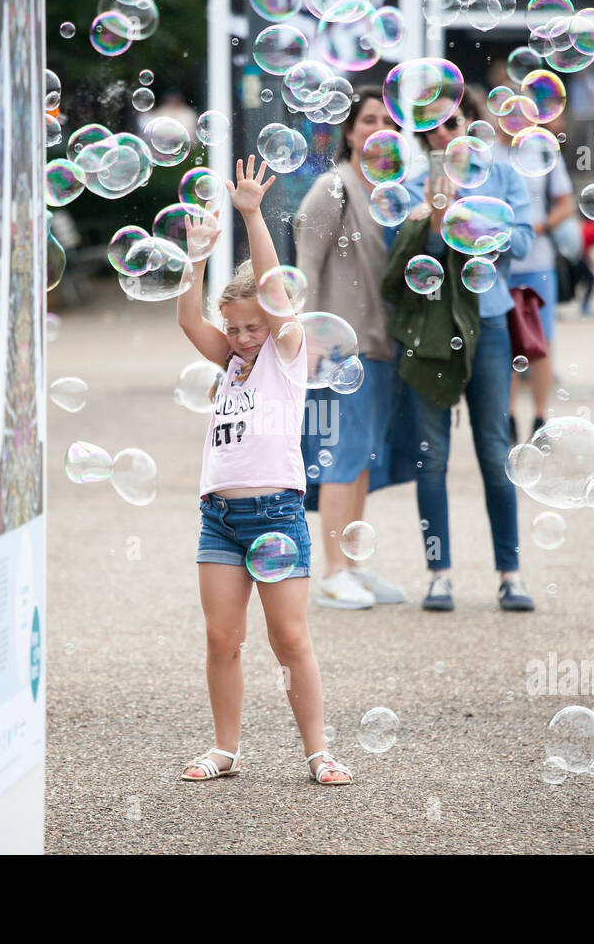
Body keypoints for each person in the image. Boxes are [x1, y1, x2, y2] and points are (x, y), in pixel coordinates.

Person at [175, 155, 353, 785]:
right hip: (219, 518)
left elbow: (275, 293)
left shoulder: (285, 354)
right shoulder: (232, 359)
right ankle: (225, 750)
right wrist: (197, 256)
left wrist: (251, 214)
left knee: (290, 641)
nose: (244, 336)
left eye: (253, 326)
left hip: (276, 513)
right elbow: (188, 318)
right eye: (236, 328)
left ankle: (318, 751)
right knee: (221, 638)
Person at [388, 89, 537, 613]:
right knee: (432, 457)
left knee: (495, 454)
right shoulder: (412, 183)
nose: (443, 135)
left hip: (490, 324)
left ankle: (510, 573)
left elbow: (522, 242)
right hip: (433, 334)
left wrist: (470, 218)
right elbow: (407, 266)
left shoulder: (501, 175)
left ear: (472, 122)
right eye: (432, 129)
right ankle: (439, 574)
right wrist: (433, 219)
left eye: (452, 124)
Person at [294, 86, 405, 611]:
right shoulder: (333, 188)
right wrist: (311, 337)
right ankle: (333, 571)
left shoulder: (388, 189)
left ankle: (355, 565)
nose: (377, 126)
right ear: (349, 131)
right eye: (367, 119)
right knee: (340, 458)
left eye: (386, 120)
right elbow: (305, 267)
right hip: (340, 351)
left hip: (379, 345)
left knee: (362, 460)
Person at [495, 115, 574, 440]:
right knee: (504, 344)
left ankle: (540, 417)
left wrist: (538, 228)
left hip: (537, 261)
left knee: (539, 344)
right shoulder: (486, 154)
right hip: (498, 265)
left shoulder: (542, 151)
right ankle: (509, 416)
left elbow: (566, 204)